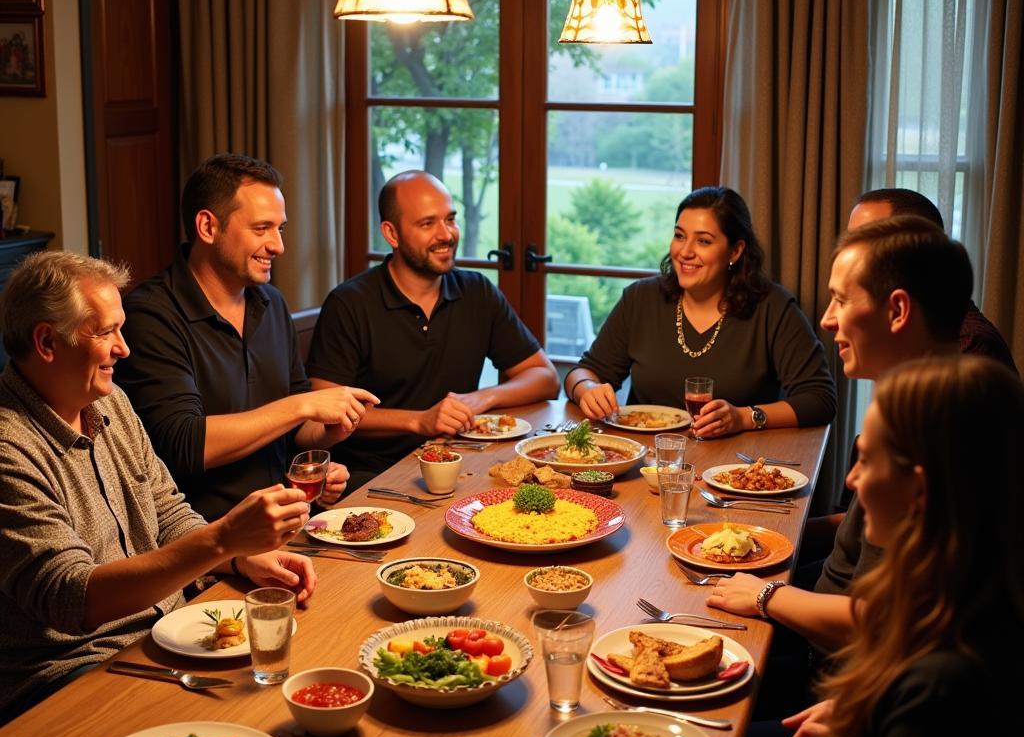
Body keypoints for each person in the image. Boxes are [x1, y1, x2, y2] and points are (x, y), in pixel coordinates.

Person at [699, 356, 1021, 737]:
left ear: (919, 490)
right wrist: (870, 717)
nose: (851, 479)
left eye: (866, 461)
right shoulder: (971, 594)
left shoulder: (940, 688)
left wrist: (888, 725)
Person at [0, 252, 315, 722]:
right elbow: (72, 597)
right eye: (105, 332)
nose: (123, 348)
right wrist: (223, 537)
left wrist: (239, 557)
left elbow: (167, 512)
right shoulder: (10, 446)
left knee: (296, 674)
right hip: (68, 674)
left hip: (160, 631)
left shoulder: (112, 403)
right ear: (47, 342)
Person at [708, 215, 974, 644]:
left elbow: (890, 622)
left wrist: (767, 597)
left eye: (841, 301)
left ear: (898, 310)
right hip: (821, 639)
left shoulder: (937, 429)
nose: (828, 320)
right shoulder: (914, 400)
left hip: (839, 677)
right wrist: (767, 536)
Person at [118, 154, 378, 523]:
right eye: (262, 229)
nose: (278, 246)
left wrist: (327, 436)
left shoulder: (271, 303)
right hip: (207, 543)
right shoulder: (150, 316)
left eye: (280, 229)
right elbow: (183, 444)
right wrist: (303, 406)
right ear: (208, 227)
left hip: (289, 523)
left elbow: (297, 432)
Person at [306, 171, 560, 489]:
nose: (447, 234)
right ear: (392, 233)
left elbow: (545, 378)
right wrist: (419, 420)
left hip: (460, 460)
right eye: (427, 224)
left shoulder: (477, 291)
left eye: (450, 219)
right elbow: (320, 411)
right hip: (372, 474)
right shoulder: (349, 304)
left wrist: (481, 399)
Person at [565, 186, 836, 437]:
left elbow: (820, 399)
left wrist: (743, 417)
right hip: (646, 461)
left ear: (735, 251)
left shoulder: (773, 307)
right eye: (679, 236)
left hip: (733, 467)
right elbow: (584, 371)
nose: (685, 251)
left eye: (703, 241)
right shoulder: (640, 298)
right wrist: (586, 389)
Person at [849, 186, 1017, 373]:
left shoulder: (966, 345)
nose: (850, 254)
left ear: (915, 246)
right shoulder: (911, 325)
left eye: (865, 242)